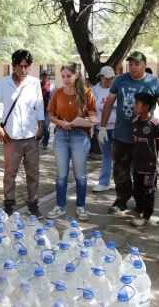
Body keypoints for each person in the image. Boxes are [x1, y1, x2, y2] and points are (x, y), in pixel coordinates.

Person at [98, 51, 159, 216]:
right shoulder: (120, 80)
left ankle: (141, 202)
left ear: (144, 65)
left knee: (142, 173)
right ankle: (121, 200)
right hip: (121, 135)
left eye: (136, 64)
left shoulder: (154, 82)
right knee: (120, 171)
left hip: (145, 139)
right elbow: (109, 103)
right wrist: (102, 127)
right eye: (130, 64)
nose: (132, 67)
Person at [0, 50, 44, 218]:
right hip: (11, 138)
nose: (23, 70)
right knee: (10, 173)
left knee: (33, 173)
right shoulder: (4, 83)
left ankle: (33, 204)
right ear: (14, 66)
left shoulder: (34, 83)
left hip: (31, 136)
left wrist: (40, 128)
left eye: (26, 66)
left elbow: (39, 107)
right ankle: (9, 205)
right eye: (20, 66)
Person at [45, 63, 97, 221]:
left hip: (80, 136)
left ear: (77, 76)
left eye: (69, 76)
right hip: (61, 135)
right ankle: (60, 206)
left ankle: (80, 207)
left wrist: (92, 118)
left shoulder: (87, 93)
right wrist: (62, 124)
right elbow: (51, 115)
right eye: (63, 76)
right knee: (61, 175)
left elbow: (92, 112)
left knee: (80, 175)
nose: (65, 79)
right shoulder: (57, 93)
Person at [129, 92, 159, 227]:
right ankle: (139, 208)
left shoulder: (155, 124)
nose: (134, 105)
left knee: (148, 190)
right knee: (137, 188)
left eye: (137, 103)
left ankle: (146, 215)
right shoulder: (134, 122)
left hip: (149, 165)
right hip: (137, 164)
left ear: (146, 107)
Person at [92, 66, 116, 192]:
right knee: (106, 155)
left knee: (122, 156)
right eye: (107, 78)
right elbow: (90, 108)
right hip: (102, 129)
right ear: (101, 77)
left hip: (117, 128)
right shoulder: (94, 90)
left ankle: (127, 183)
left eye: (112, 78)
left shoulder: (117, 87)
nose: (110, 81)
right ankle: (104, 182)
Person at [40, 70, 56, 150]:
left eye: (45, 75)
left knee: (46, 126)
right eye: (43, 75)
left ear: (48, 76)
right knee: (40, 125)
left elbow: (55, 97)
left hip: (48, 108)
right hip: (39, 108)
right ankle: (42, 138)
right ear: (41, 76)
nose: (44, 77)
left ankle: (45, 142)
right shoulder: (38, 85)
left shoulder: (52, 85)